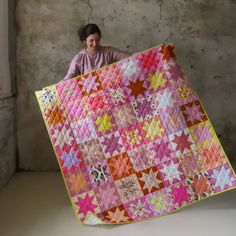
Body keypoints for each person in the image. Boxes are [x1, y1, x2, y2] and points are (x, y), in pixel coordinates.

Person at [63, 24, 131, 81]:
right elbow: (69, 77)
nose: (95, 44)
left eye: (97, 40)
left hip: (109, 92)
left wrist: (137, 55)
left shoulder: (109, 51)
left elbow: (128, 57)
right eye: (91, 41)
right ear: (84, 40)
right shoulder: (79, 58)